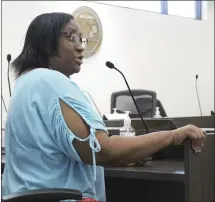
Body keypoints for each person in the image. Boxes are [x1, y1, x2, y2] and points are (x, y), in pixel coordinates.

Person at [2, 12, 206, 202]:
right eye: (71, 37)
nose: (80, 46)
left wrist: (126, 156)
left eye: (81, 39)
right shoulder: (51, 82)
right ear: (46, 43)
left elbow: (60, 153)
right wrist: (172, 136)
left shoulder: (25, 83)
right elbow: (102, 150)